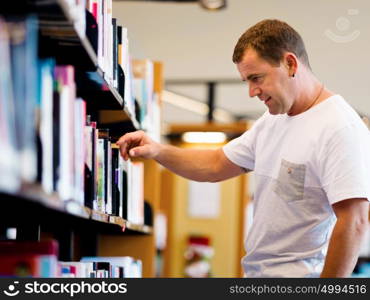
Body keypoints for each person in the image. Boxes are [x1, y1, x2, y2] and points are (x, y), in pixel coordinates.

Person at [117, 19, 370, 278]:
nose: (252, 92)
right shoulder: (273, 120)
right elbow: (215, 164)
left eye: (256, 78)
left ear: (290, 64)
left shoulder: (340, 128)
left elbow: (354, 221)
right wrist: (158, 150)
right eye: (246, 81)